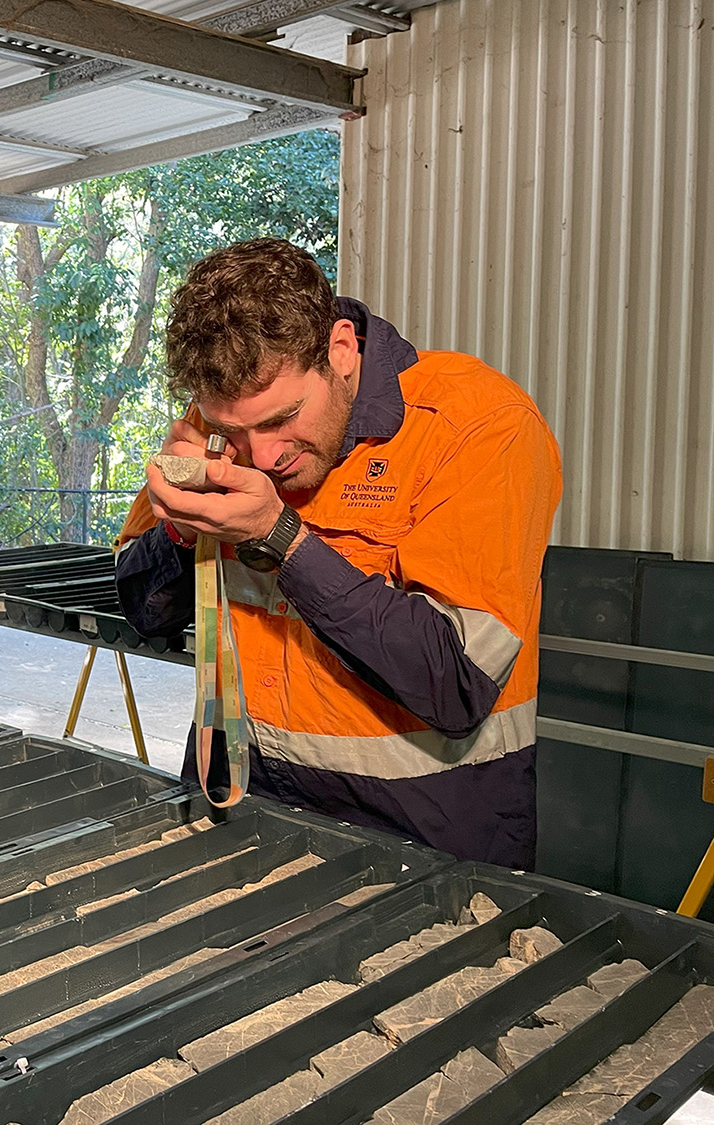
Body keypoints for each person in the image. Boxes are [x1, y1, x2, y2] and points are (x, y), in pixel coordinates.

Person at [115, 238, 561, 869]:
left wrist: (277, 534)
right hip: (241, 798)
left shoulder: (481, 426)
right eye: (237, 431)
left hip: (427, 827)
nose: (263, 455)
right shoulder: (223, 421)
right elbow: (145, 612)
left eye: (284, 419)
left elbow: (458, 686)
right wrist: (183, 530)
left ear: (341, 349)